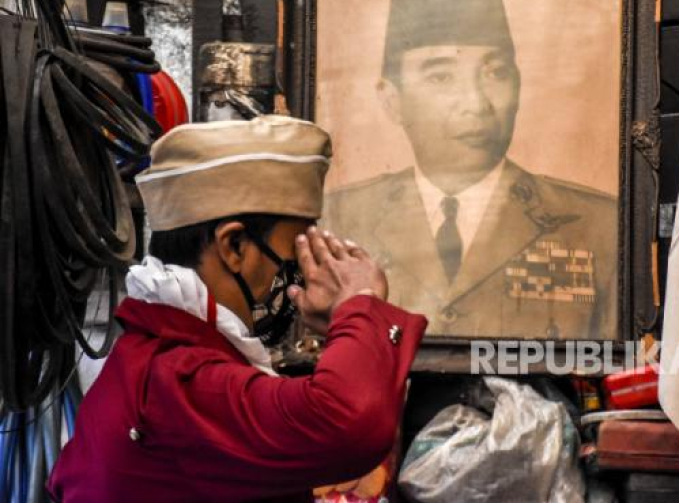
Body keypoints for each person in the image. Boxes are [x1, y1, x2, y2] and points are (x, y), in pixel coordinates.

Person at [48, 116, 427, 502]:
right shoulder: (178, 379)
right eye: (295, 251)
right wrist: (360, 303)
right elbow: (348, 426)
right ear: (234, 247)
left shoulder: (157, 354)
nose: (303, 273)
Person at [323, 0, 617, 340]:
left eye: (494, 72)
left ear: (518, 83)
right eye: (441, 76)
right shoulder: (340, 223)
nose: (476, 103)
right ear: (392, 99)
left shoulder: (597, 227)